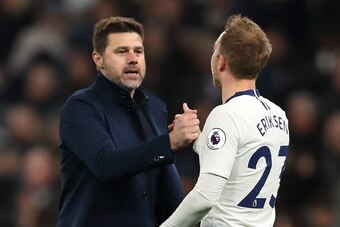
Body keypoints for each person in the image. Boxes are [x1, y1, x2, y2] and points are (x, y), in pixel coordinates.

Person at [57, 16, 200, 227]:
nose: (133, 59)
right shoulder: (81, 107)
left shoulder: (155, 107)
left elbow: (166, 192)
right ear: (98, 60)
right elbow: (106, 164)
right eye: (122, 51)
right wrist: (168, 143)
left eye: (138, 51)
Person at [160, 14, 290, 227]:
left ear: (221, 61)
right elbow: (241, 163)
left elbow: (205, 197)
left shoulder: (226, 115)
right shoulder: (279, 115)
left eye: (214, 50)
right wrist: (198, 140)